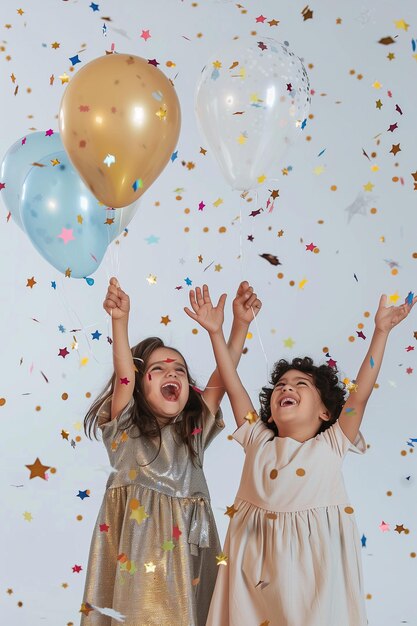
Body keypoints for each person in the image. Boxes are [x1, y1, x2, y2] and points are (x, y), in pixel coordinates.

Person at [184, 285, 416, 626]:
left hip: (312, 572)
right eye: (281, 385)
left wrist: (380, 332)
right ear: (271, 410)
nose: (286, 387)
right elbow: (233, 384)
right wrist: (218, 332)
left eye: (300, 385)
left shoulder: (332, 444)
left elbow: (360, 396)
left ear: (325, 412)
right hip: (253, 570)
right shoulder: (257, 438)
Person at [79, 277, 261, 626]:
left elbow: (223, 379)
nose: (171, 373)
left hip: (189, 553)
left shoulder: (192, 433)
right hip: (140, 551)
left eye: (179, 369)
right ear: (139, 383)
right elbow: (123, 378)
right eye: (158, 369)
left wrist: (237, 325)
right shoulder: (125, 429)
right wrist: (120, 321)